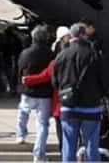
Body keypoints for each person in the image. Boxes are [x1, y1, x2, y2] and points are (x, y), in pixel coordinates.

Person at [52, 23, 108, 162]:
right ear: (84, 35)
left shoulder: (61, 55)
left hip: (69, 106)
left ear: (71, 36)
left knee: (68, 145)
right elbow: (105, 80)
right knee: (91, 144)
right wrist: (100, 94)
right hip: (91, 106)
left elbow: (55, 82)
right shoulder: (93, 55)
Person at [23, 26, 71, 155]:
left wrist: (27, 80)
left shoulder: (56, 61)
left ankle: (65, 155)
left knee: (63, 133)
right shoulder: (80, 59)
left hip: (61, 103)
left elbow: (44, 76)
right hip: (81, 102)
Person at [15, 25, 52, 162]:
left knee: (23, 112)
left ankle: (20, 134)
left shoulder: (26, 53)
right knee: (42, 124)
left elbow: (20, 69)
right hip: (45, 93)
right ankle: (38, 154)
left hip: (28, 90)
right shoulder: (50, 54)